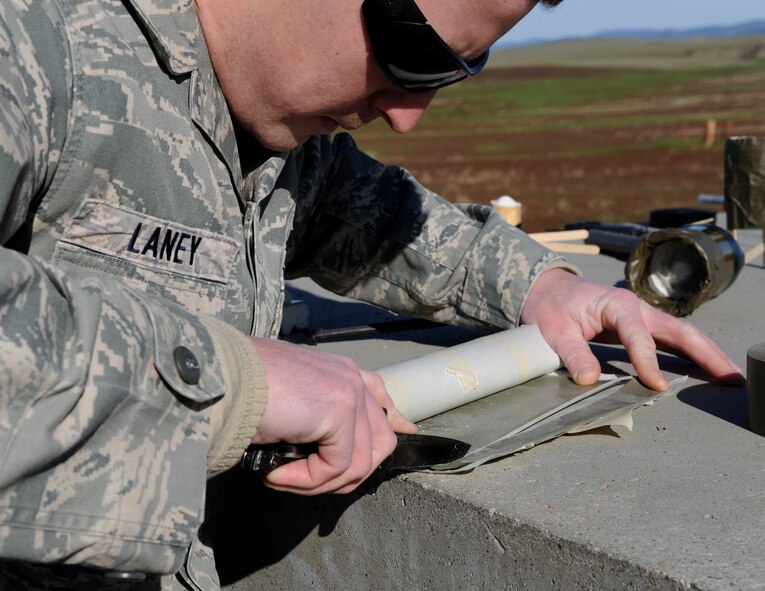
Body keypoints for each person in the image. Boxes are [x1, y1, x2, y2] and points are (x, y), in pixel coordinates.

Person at [0, 0, 743, 588]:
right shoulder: (34, 45)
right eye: (411, 53)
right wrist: (231, 384)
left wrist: (543, 286)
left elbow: (366, 210)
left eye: (457, 68)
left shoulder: (267, 128)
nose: (407, 114)